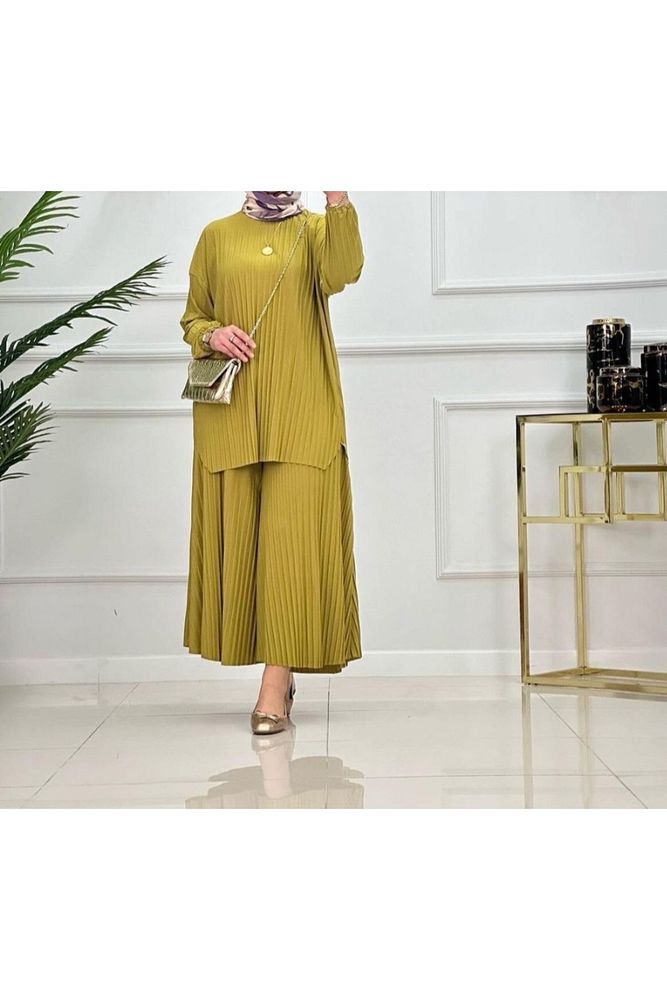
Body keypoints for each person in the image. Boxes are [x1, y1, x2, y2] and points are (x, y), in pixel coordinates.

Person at [180, 191, 364, 734]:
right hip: (233, 416)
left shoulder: (317, 230)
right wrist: (212, 334)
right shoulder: (217, 235)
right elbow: (193, 317)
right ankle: (275, 673)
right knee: (244, 547)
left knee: (292, 551)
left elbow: (345, 270)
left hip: (302, 413)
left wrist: (339, 197)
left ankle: (274, 683)